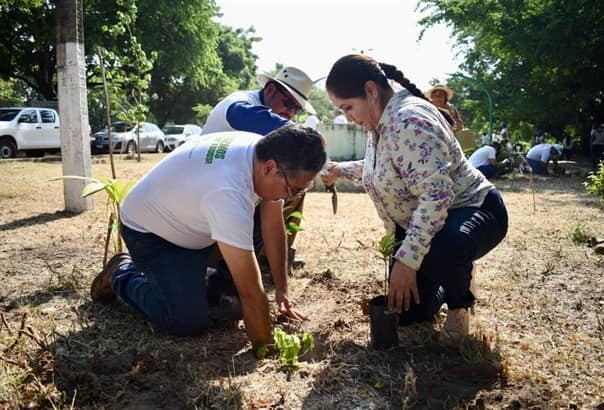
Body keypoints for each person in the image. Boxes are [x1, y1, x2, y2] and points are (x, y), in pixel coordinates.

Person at [320, 54, 508, 339]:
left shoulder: (409, 120)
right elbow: (386, 168)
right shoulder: (379, 120)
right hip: (426, 225)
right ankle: (448, 276)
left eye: (348, 107)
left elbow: (437, 195)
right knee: (409, 312)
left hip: (472, 209)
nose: (348, 118)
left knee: (444, 251)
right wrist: (341, 170)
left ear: (370, 91)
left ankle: (460, 302)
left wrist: (407, 261)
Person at [90, 125, 327, 349]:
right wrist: (266, 350)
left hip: (194, 222)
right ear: (269, 168)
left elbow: (273, 227)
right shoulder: (228, 191)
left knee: (231, 306)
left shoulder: (260, 151)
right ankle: (121, 273)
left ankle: (213, 286)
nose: (293, 196)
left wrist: (282, 288)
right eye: (294, 189)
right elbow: (252, 291)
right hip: (153, 234)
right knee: (186, 321)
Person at [201, 66, 317, 270]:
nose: (290, 113)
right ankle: (229, 268)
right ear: (270, 90)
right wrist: (303, 136)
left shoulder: (273, 127)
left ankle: (266, 259)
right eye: (288, 103)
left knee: (293, 186)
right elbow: (243, 116)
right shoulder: (240, 102)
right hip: (207, 192)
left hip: (232, 190)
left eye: (296, 109)